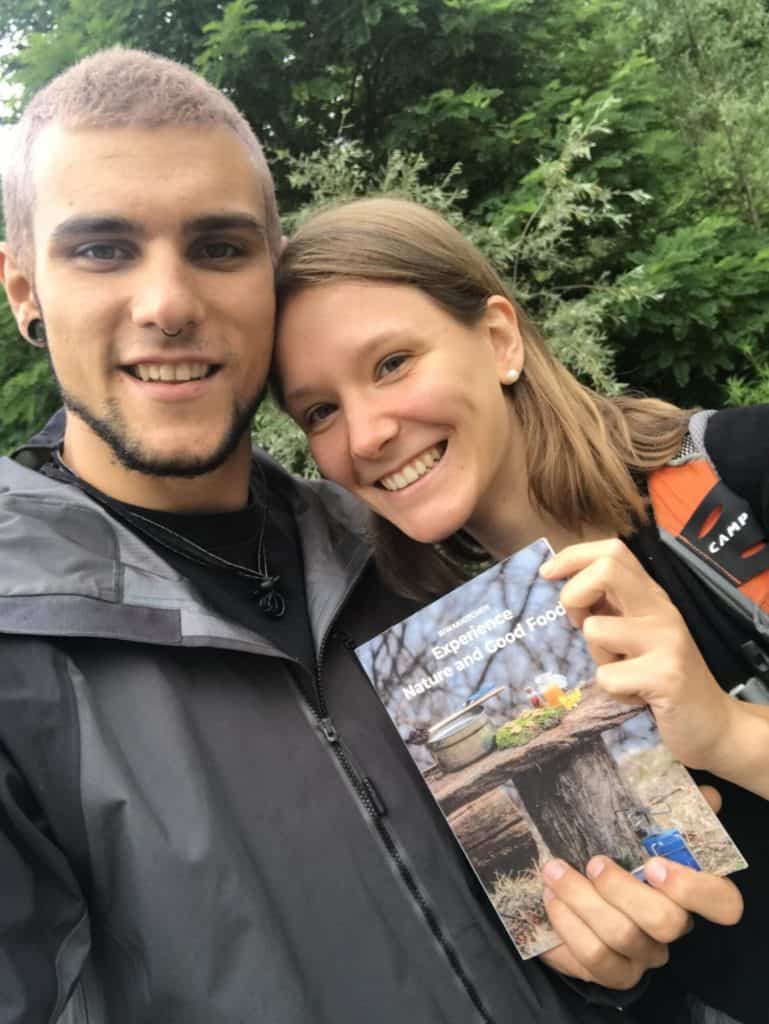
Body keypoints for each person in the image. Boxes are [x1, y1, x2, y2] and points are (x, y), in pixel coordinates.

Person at [0, 49, 741, 1024]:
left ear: (271, 275)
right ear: (24, 291)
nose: (168, 303)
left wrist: (612, 956)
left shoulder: (417, 559)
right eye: (102, 249)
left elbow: (606, 912)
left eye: (220, 247)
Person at [274, 196, 769, 1023]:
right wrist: (603, 972)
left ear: (499, 339)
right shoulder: (428, 666)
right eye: (318, 411)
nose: (363, 435)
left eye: (391, 362)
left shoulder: (738, 478)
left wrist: (727, 733)